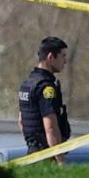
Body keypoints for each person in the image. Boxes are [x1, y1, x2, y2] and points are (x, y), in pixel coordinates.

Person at [17, 36, 71, 165]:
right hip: (46, 156)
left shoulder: (28, 84)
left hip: (33, 153)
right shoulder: (46, 87)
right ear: (51, 57)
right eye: (63, 56)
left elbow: (21, 121)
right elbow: (51, 127)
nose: (65, 61)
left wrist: (33, 143)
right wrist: (60, 161)